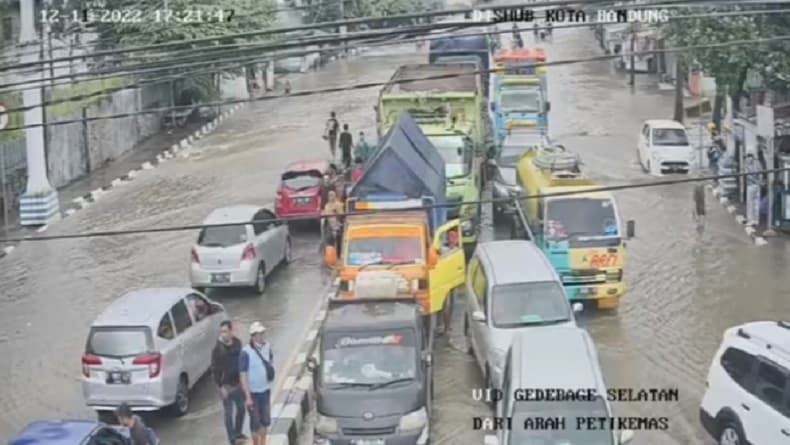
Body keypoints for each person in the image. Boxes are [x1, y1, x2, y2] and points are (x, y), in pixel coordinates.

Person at [239, 322, 275, 445]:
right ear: (253, 336)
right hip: (253, 394)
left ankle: (263, 443)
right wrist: (248, 397)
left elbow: (270, 361)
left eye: (263, 333)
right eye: (259, 334)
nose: (262, 336)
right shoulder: (245, 352)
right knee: (255, 423)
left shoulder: (268, 346)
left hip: (265, 391)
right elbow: (243, 375)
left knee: (265, 421)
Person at [212, 320, 246, 445]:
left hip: (238, 383)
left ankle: (238, 433)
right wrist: (220, 387)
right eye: (221, 332)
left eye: (226, 331)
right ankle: (232, 439)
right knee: (228, 413)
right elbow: (215, 370)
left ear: (231, 331)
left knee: (241, 409)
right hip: (226, 386)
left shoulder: (238, 343)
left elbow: (242, 362)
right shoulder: (217, 350)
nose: (223, 334)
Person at [745, 153, 762, 226]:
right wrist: (759, 182)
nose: (748, 159)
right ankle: (756, 220)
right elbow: (761, 173)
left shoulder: (747, 165)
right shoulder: (758, 163)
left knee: (751, 203)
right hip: (757, 185)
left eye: (749, 158)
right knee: (756, 203)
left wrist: (757, 182)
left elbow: (748, 176)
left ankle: (751, 220)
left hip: (751, 185)